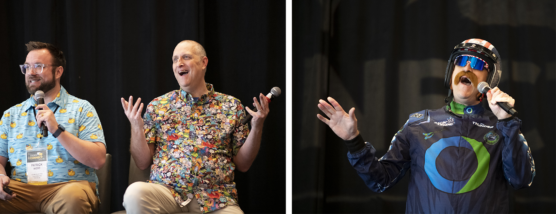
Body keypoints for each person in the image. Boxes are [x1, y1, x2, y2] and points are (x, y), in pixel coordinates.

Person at [316, 38, 535, 213]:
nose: (467, 66)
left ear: (490, 80)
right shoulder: (417, 124)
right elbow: (380, 180)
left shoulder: (505, 127)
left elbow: (521, 180)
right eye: (461, 61)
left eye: (478, 63)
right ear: (451, 75)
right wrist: (353, 141)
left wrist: (507, 122)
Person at [120, 40, 271, 214]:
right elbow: (142, 162)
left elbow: (243, 164)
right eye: (175, 59)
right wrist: (136, 126)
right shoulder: (158, 106)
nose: (179, 63)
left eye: (186, 57)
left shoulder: (231, 106)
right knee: (134, 193)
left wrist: (257, 127)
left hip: (216, 199)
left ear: (203, 63)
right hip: (167, 193)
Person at [0, 41, 107, 214]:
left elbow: (98, 160)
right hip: (21, 191)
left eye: (38, 66)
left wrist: (57, 130)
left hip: (68, 187)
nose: (31, 72)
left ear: (58, 71)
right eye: (27, 67)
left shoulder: (82, 108)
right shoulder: (11, 114)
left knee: (73, 196)